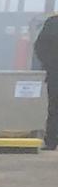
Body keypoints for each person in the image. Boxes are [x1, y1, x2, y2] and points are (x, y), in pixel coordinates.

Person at [37, 13, 58, 152]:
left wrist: (48, 64)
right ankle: (50, 140)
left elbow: (39, 46)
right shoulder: (52, 23)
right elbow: (40, 46)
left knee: (55, 108)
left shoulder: (52, 23)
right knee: (54, 108)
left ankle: (51, 141)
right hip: (55, 72)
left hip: (54, 73)